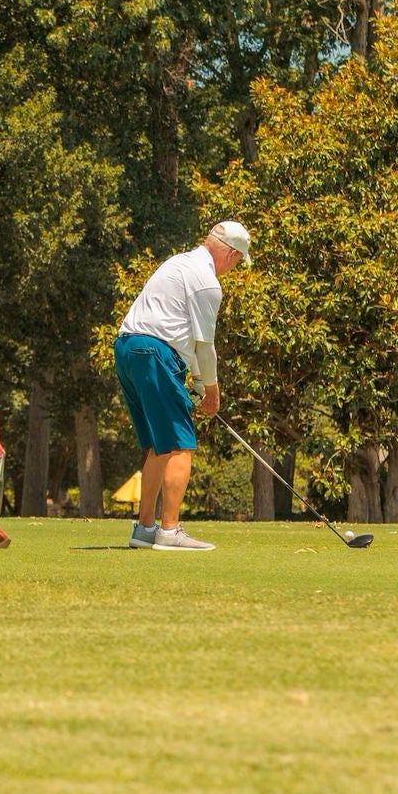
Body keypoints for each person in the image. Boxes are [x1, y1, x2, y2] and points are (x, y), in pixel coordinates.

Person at [112, 221, 252, 550]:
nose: (233, 268)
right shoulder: (207, 283)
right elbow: (205, 347)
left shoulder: (177, 262)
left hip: (128, 350)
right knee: (180, 444)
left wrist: (199, 382)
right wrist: (213, 394)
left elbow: (181, 334)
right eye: (237, 261)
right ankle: (169, 531)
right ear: (231, 254)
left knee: (158, 445)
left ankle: (144, 530)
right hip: (154, 353)